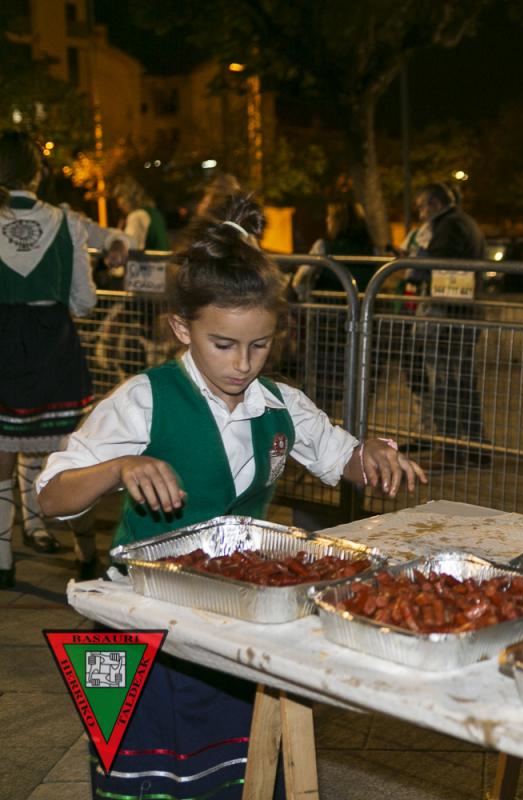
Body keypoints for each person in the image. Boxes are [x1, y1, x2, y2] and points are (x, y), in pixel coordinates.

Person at [36, 193, 427, 797]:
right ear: (181, 328)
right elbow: (51, 497)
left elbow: (342, 456)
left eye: (259, 345)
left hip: (232, 621)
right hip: (137, 625)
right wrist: (118, 467)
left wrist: (372, 454)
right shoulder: (144, 399)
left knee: (240, 773)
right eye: (223, 344)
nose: (243, 364)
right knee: (142, 780)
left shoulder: (281, 405)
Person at [0, 130, 99, 586]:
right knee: (71, 460)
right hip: (54, 350)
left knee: (1, 461)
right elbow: (84, 302)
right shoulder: (66, 221)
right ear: (35, 172)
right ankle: (86, 552)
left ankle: (3, 561)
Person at [403, 182, 490, 467]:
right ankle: (476, 447)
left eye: (422, 207)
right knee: (463, 382)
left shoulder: (447, 226)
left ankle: (450, 449)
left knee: (443, 382)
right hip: (465, 312)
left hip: (446, 315)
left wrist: (414, 262)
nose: (420, 214)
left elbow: (438, 264)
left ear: (435, 204)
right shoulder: (465, 222)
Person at [112, 176, 170, 251]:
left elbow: (129, 246)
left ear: (127, 200)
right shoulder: (153, 213)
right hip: (162, 257)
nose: (119, 206)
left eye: (120, 202)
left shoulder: (137, 216)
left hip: (150, 258)